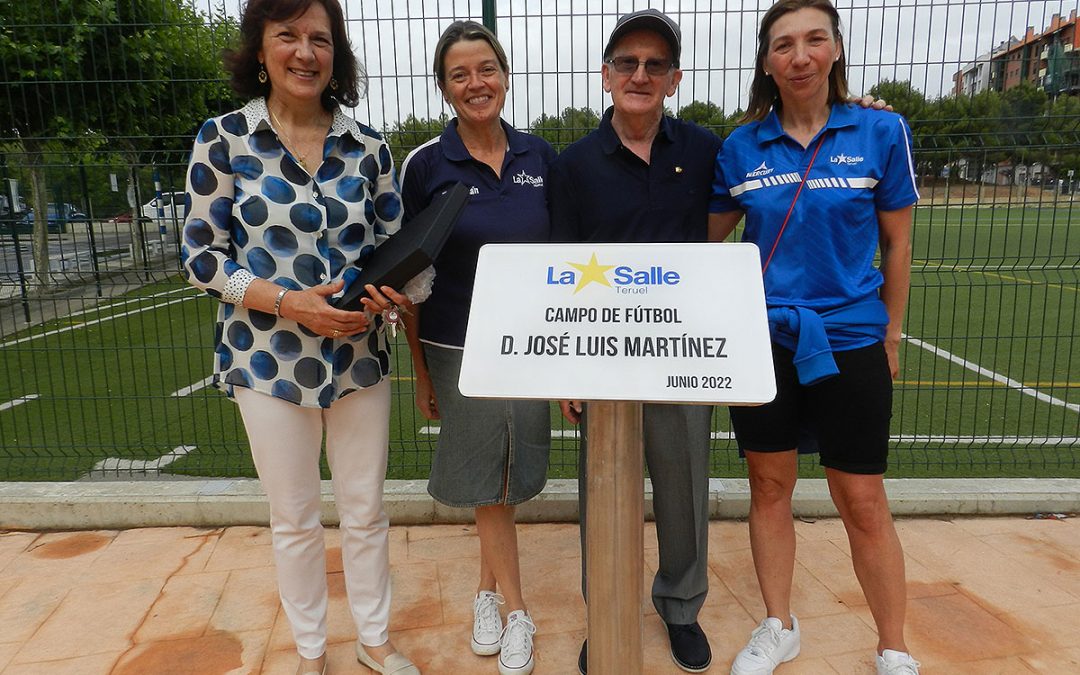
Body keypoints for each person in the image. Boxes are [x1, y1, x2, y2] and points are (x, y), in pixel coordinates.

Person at [179, 1, 422, 673]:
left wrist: (386, 290)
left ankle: (374, 641)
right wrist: (291, 305)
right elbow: (203, 259)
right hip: (266, 361)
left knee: (366, 510)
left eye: (320, 38)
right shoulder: (223, 139)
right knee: (293, 519)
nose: (305, 52)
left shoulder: (369, 145)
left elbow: (395, 248)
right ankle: (311, 652)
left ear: (335, 54)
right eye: (287, 35)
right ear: (260, 49)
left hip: (358, 358)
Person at [707, 2, 920, 674]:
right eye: (783, 45)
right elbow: (706, 244)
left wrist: (890, 335)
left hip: (851, 339)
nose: (799, 56)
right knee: (769, 486)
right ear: (766, 62)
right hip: (764, 340)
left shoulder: (881, 129)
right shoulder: (740, 147)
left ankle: (893, 644)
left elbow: (899, 243)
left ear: (833, 50)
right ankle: (779, 623)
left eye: (813, 41)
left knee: (860, 495)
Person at [548, 9, 720, 674]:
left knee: (684, 488)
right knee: (605, 494)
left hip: (683, 355)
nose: (640, 74)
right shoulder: (574, 164)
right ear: (605, 75)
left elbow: (761, 183)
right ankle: (609, 610)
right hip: (601, 360)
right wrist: (568, 370)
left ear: (674, 79)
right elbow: (563, 266)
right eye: (627, 62)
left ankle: (681, 607)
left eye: (655, 64)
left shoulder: (705, 149)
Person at [397, 20, 556, 675]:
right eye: (459, 74)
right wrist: (418, 372)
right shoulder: (426, 165)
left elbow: (564, 257)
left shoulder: (541, 158)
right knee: (492, 485)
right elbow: (407, 275)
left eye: (485, 68)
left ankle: (485, 591)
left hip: (530, 347)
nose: (475, 83)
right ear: (444, 87)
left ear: (505, 74)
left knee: (509, 475)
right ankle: (517, 610)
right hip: (456, 343)